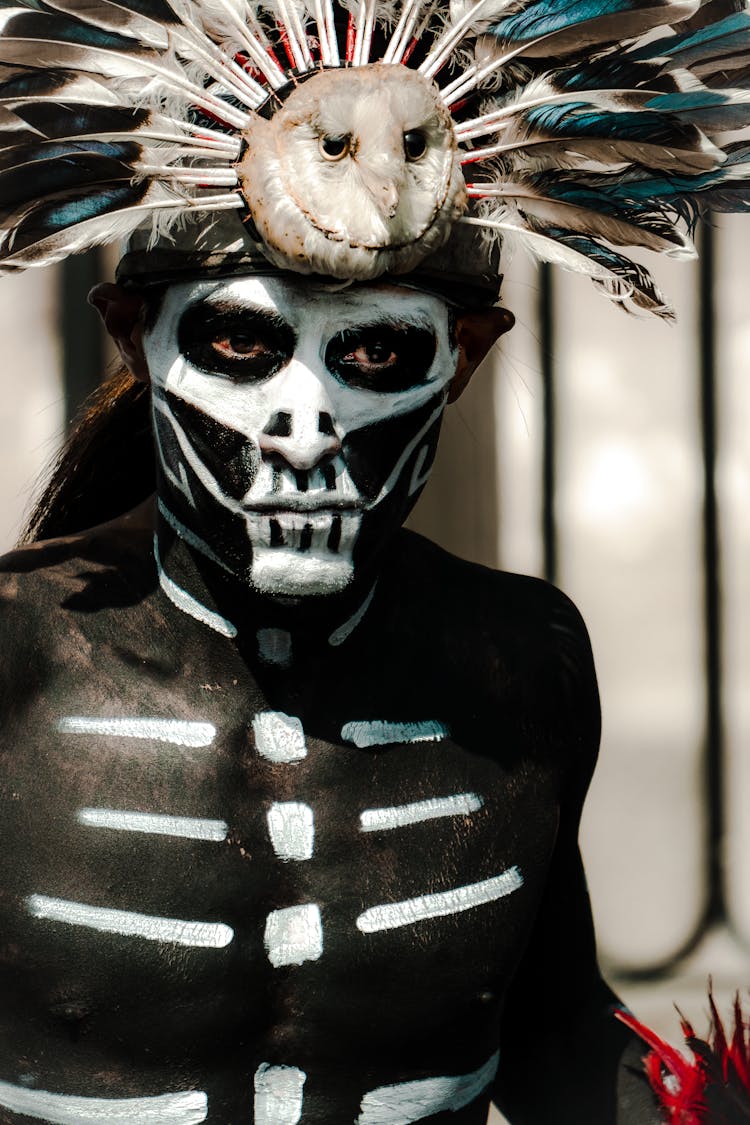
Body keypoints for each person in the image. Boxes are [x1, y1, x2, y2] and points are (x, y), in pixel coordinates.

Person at [0, 0, 749, 1121]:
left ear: (464, 360)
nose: (309, 428)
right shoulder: (17, 652)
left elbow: (551, 1037)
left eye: (379, 351)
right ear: (134, 337)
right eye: (244, 342)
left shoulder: (520, 658)